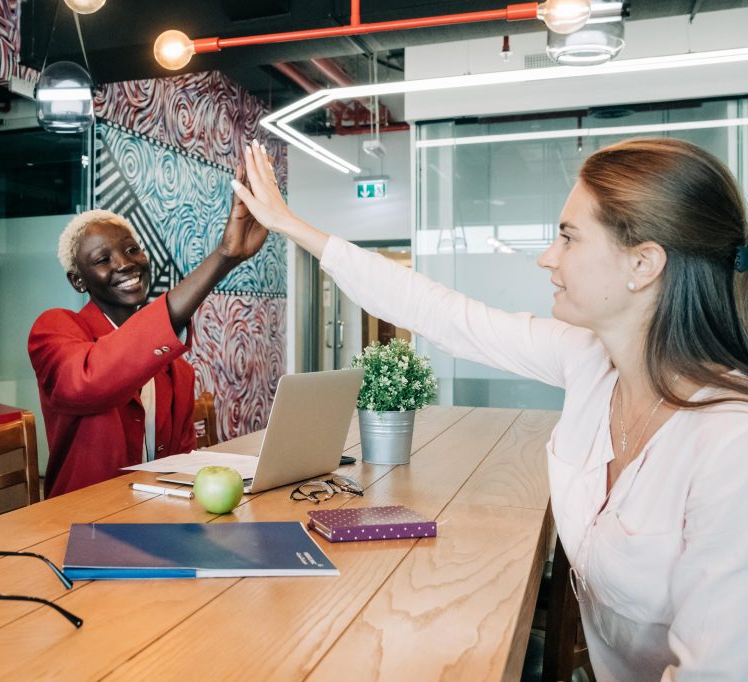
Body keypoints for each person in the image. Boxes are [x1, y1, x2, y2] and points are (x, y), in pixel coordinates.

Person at [232, 138, 748, 681]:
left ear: (643, 263)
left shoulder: (729, 448)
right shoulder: (589, 361)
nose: (548, 256)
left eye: (569, 237)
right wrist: (293, 226)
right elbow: (444, 314)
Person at [29, 171, 268, 497]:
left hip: (156, 518)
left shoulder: (178, 372)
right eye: (102, 260)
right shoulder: (54, 329)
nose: (125, 264)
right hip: (81, 524)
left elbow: (180, 464)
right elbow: (92, 379)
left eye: (131, 250)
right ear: (78, 281)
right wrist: (224, 256)